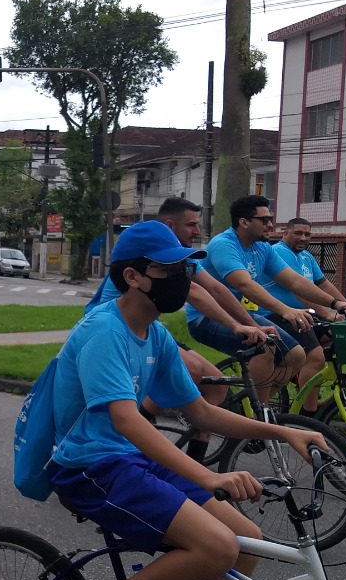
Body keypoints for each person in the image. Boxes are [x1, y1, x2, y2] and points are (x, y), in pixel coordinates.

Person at [50, 221, 327, 580]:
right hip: (90, 466)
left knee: (245, 542)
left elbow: (199, 412)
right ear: (133, 277)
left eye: (185, 268)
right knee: (216, 546)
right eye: (170, 269)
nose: (183, 278)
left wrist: (283, 431)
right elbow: (126, 419)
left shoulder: (154, 334)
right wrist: (207, 476)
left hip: (128, 460)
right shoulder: (104, 331)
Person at [87, 198, 271, 462]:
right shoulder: (150, 253)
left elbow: (213, 288)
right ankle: (136, 430)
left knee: (216, 385)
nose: (197, 231)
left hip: (150, 328)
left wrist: (249, 325)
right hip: (120, 329)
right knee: (192, 371)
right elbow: (194, 291)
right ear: (170, 225)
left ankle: (195, 461)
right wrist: (236, 326)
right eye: (191, 225)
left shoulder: (179, 257)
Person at [187, 195, 346, 406]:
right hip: (206, 317)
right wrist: (285, 310)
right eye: (264, 220)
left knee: (295, 356)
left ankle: (256, 408)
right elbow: (245, 285)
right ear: (244, 222)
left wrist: (335, 303)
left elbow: (294, 281)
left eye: (270, 219)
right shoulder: (224, 244)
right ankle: (259, 415)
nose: (270, 224)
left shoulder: (262, 247)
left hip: (240, 314)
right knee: (265, 349)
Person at [263, 217, 346, 416]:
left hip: (303, 315)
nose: (303, 238)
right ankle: (306, 413)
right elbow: (298, 290)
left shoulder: (306, 257)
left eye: (307, 234)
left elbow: (323, 284)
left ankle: (309, 396)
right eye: (298, 233)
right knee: (317, 357)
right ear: (285, 233)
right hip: (279, 314)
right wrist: (328, 313)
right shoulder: (279, 252)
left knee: (334, 339)